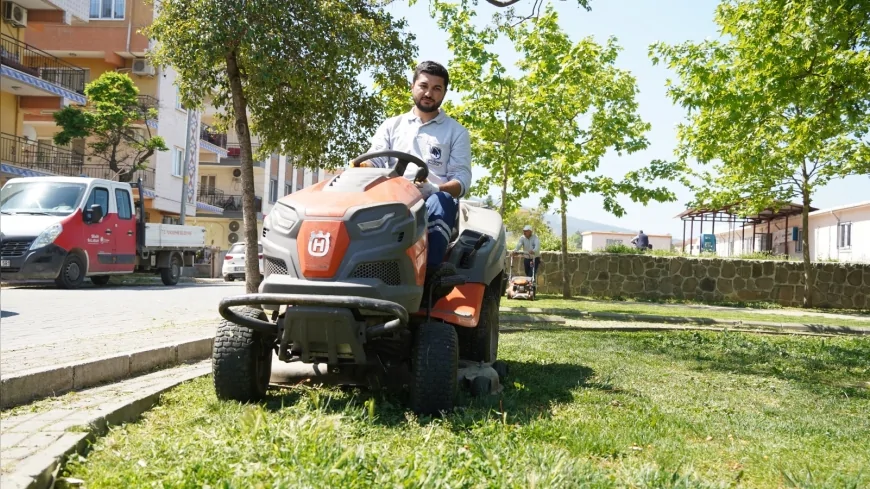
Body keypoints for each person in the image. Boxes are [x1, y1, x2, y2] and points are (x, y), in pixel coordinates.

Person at [357, 61, 472, 302]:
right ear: (412, 86)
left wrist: (435, 188)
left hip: (432, 203)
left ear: (444, 93)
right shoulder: (392, 126)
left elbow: (461, 180)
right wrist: (361, 167)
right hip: (393, 200)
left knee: (441, 200)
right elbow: (376, 160)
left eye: (437, 88)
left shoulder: (456, 132)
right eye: (424, 86)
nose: (429, 93)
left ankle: (427, 279)